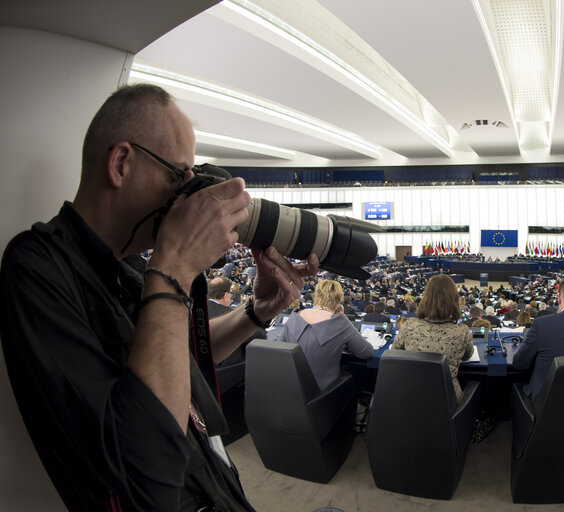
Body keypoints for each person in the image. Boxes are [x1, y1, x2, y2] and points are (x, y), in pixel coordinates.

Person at [0, 84, 319, 511]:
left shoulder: (130, 268)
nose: (186, 193)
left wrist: (255, 313)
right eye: (177, 174)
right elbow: (146, 467)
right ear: (121, 163)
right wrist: (175, 264)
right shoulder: (37, 268)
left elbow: (174, 361)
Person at [279, 279, 373, 390]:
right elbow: (367, 352)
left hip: (289, 387)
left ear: (315, 295)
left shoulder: (295, 316)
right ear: (338, 300)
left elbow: (279, 349)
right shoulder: (341, 322)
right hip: (322, 393)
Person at [392, 274, 474, 402]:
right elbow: (467, 356)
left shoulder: (409, 325)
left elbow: (394, 352)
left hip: (410, 398)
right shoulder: (462, 331)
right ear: (454, 299)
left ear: (426, 298)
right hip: (448, 402)